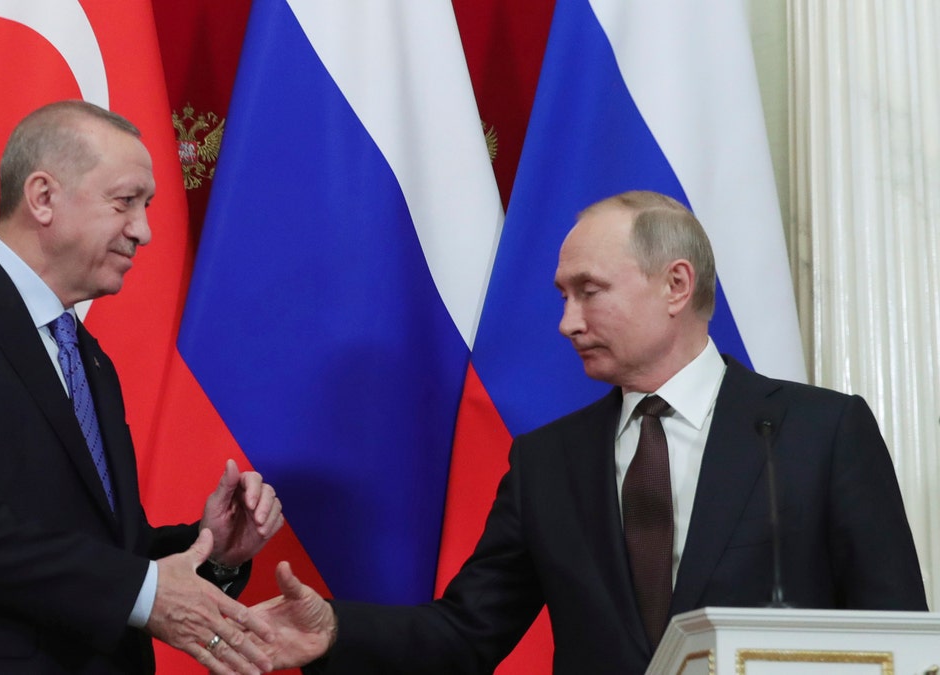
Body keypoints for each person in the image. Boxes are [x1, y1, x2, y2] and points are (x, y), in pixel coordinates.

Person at [245, 190, 928, 674]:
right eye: (562, 295)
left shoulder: (819, 432)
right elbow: (465, 633)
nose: (567, 322)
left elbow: (896, 637)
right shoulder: (549, 462)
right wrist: (335, 628)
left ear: (676, 284)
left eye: (589, 290)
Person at [0, 100, 283, 675]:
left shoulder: (88, 358)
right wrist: (144, 589)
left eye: (147, 207)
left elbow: (106, 552)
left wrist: (209, 549)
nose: (145, 231)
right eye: (125, 201)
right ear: (43, 197)